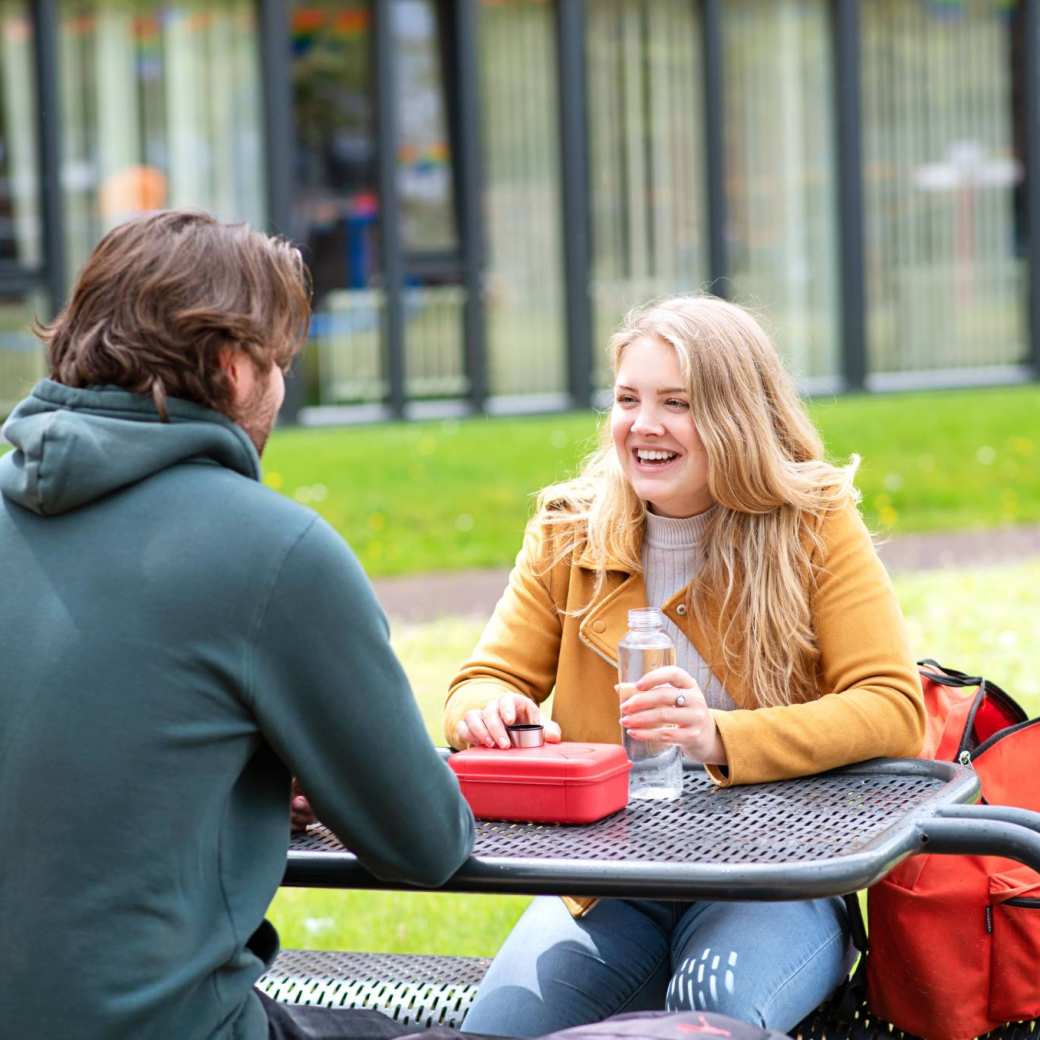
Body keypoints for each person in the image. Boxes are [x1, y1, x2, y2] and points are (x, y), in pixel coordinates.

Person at [0, 211, 475, 1040]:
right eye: (279, 363)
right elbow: (425, 843)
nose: (282, 390)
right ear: (229, 367)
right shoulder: (274, 549)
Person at [443, 295, 925, 1036]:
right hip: (609, 883)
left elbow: (895, 707)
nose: (644, 426)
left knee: (709, 1021)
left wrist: (720, 737)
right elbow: (484, 680)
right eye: (628, 400)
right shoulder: (569, 528)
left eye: (678, 403)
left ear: (736, 416)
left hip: (775, 878)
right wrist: (485, 707)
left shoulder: (814, 520)